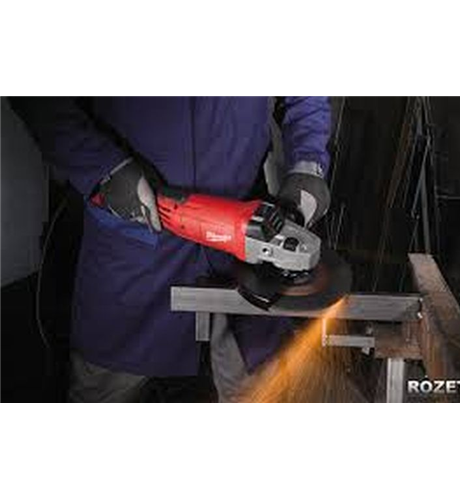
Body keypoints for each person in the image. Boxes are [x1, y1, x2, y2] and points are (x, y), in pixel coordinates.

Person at [10, 97, 332, 402]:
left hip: (246, 237)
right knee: (103, 391)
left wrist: (308, 165)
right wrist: (102, 168)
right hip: (134, 237)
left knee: (260, 391)